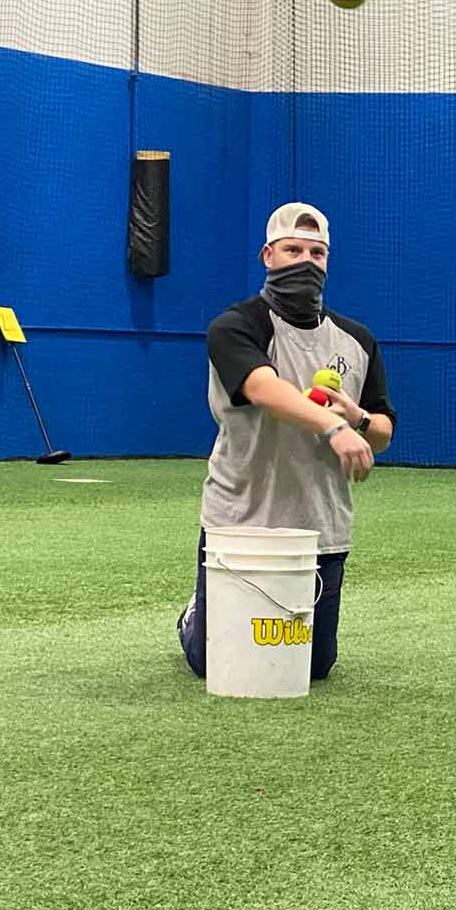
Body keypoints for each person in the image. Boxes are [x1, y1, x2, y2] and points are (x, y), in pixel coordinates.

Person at [177, 202, 397, 682]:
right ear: (267, 255)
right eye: (292, 249)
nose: (305, 261)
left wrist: (356, 418)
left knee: (315, 666)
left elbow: (382, 432)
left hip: (320, 525)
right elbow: (261, 388)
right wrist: (331, 426)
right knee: (211, 662)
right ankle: (194, 615)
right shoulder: (235, 326)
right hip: (240, 520)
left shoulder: (357, 341)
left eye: (317, 253)